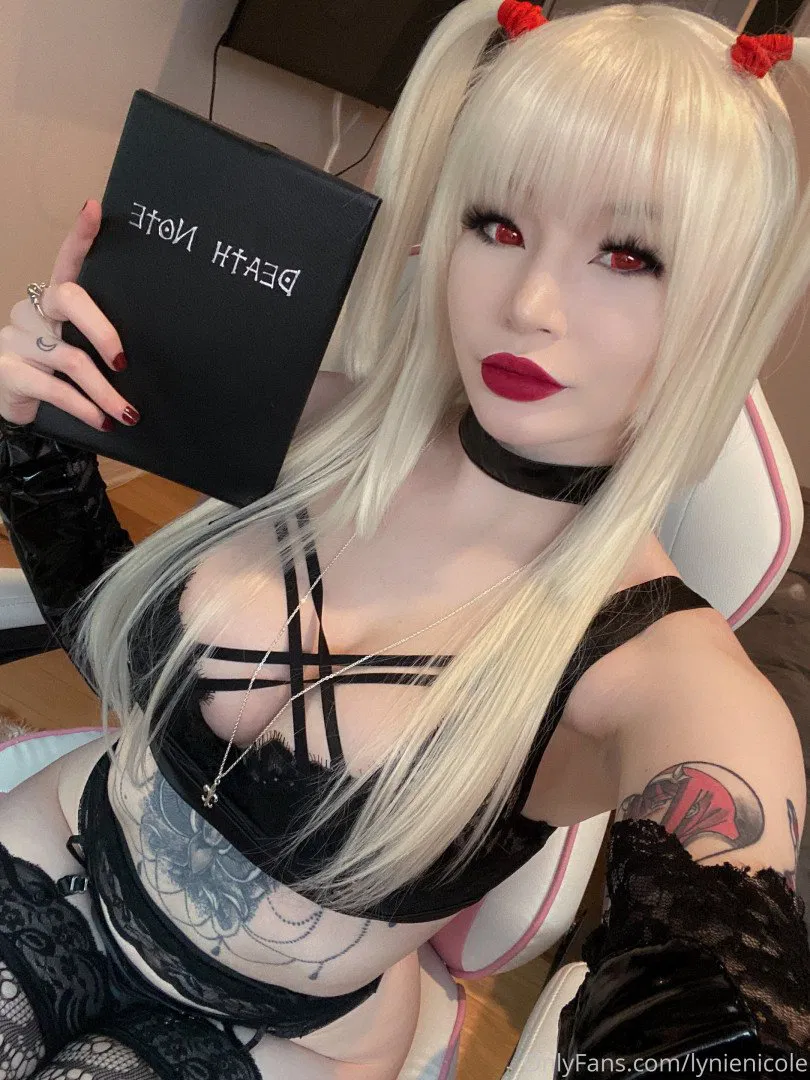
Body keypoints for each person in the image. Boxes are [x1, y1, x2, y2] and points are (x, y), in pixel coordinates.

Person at [0, 0, 809, 1076]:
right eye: (499, 226)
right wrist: (34, 433)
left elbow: (719, 994)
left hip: (279, 1037)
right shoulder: (309, 419)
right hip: (58, 856)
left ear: (727, 297)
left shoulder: (656, 670)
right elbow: (101, 629)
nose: (530, 304)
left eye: (628, 254)